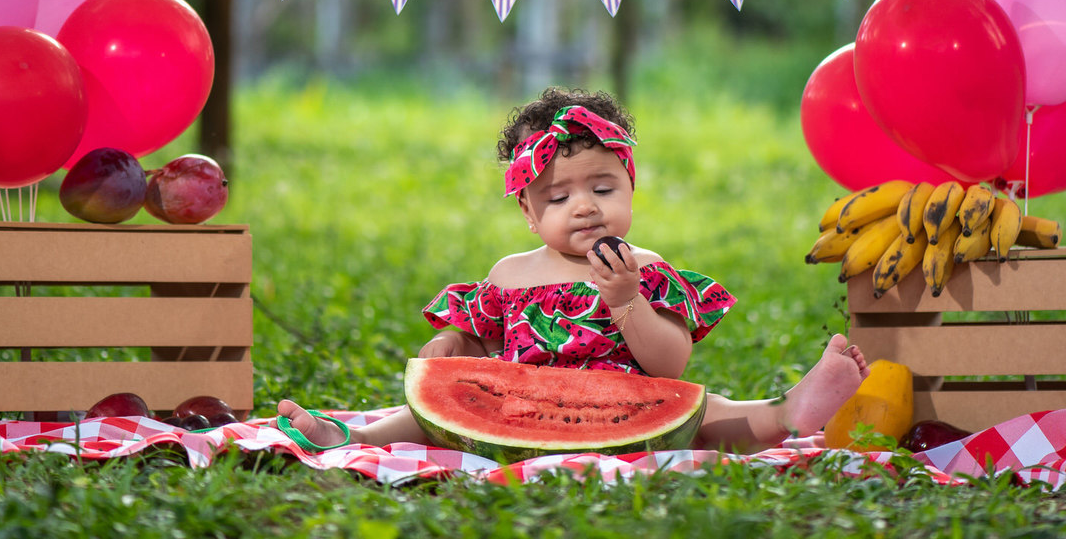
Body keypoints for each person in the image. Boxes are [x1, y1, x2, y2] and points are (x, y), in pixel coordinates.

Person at [278, 87, 868, 453]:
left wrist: (626, 299)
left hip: (631, 405)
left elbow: (670, 363)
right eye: (558, 199)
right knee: (425, 412)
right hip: (515, 407)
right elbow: (477, 337)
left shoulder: (645, 268)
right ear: (529, 215)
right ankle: (350, 436)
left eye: (603, 188)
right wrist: (449, 341)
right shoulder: (509, 275)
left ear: (630, 191)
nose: (584, 207)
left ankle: (790, 412)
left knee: (706, 412)